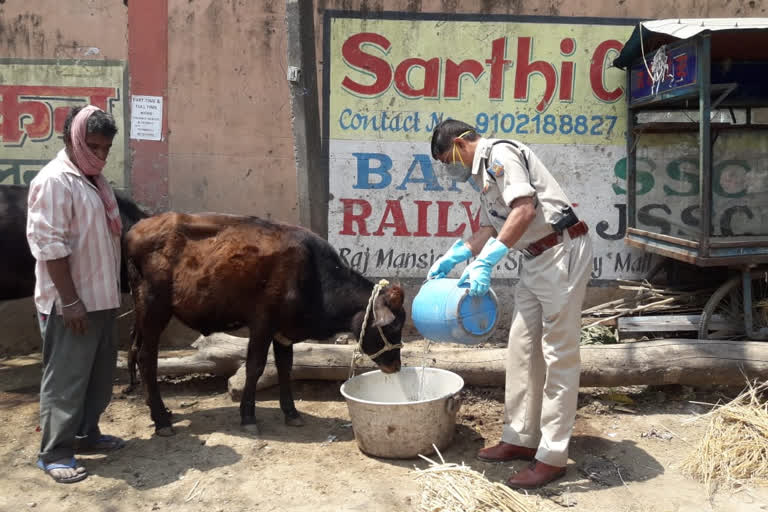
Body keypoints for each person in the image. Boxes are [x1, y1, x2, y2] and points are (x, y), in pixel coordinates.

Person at [428, 119, 593, 489]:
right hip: (535, 259)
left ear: (459, 144)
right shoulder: (482, 176)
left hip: (561, 252)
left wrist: (487, 261)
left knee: (559, 356)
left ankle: (552, 456)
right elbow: (491, 226)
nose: (448, 168)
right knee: (521, 348)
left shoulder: (500, 154)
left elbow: (524, 211)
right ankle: (520, 437)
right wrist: (457, 255)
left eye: (446, 160)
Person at [27, 105, 126, 484]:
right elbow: (48, 246)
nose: (100, 155)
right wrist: (69, 301)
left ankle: (86, 434)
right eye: (94, 147)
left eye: (105, 149)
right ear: (73, 139)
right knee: (66, 379)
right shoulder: (55, 181)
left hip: (101, 299)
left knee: (98, 377)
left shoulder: (93, 181)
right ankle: (55, 452)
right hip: (71, 303)